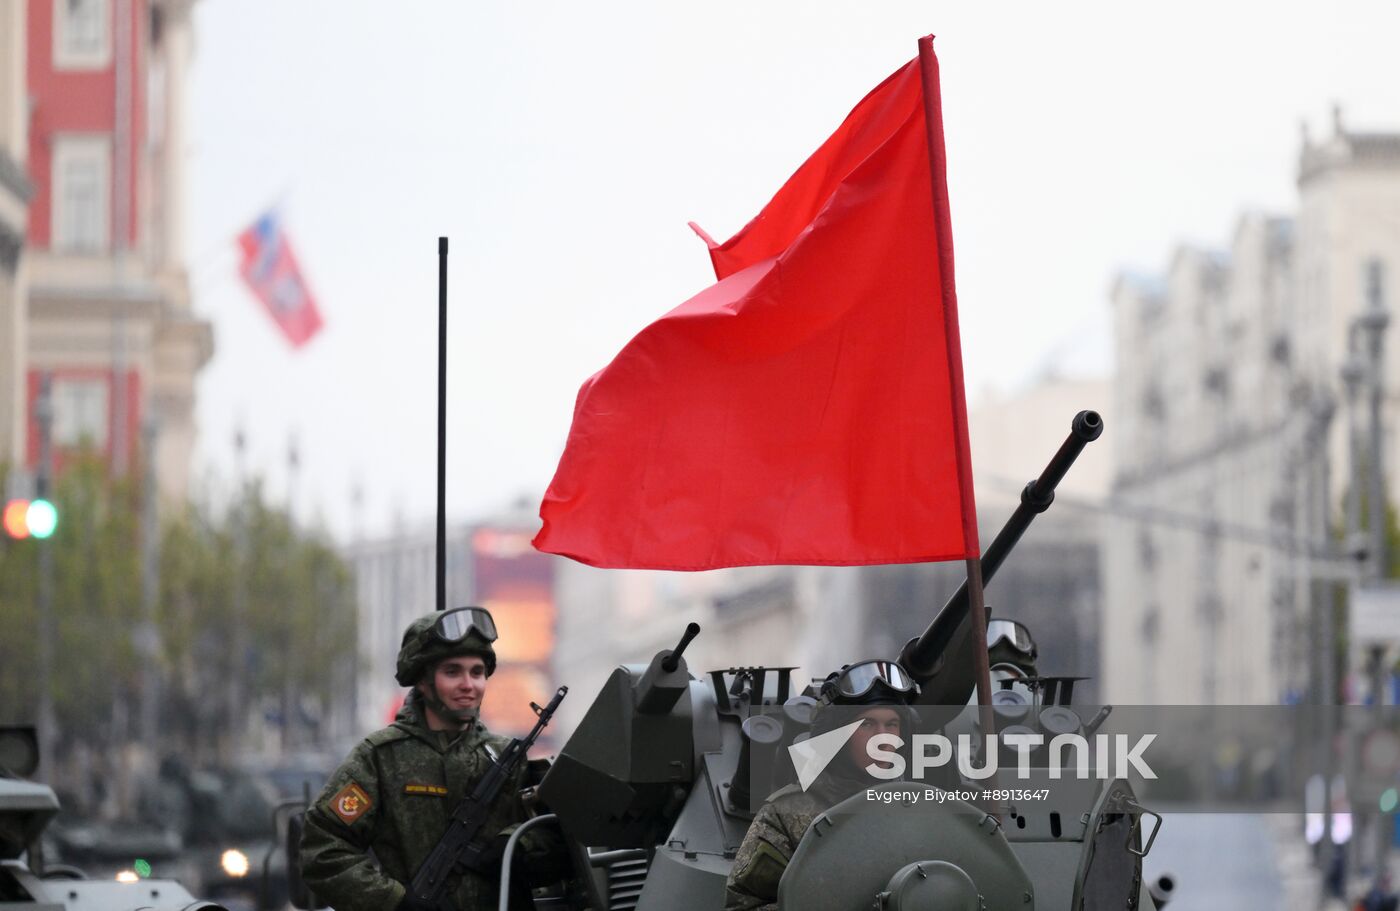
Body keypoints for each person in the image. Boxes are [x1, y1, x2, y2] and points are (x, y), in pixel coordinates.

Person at [300, 606, 560, 911]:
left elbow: (560, 840)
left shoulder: (508, 759)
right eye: (452, 672)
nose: (468, 684)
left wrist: (518, 846)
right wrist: (393, 902)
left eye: (477, 672)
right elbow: (323, 850)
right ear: (423, 681)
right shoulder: (381, 758)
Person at [723, 660, 918, 911]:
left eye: (892, 724)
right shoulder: (787, 814)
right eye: (866, 724)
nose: (882, 737)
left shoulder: (917, 808)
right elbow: (743, 906)